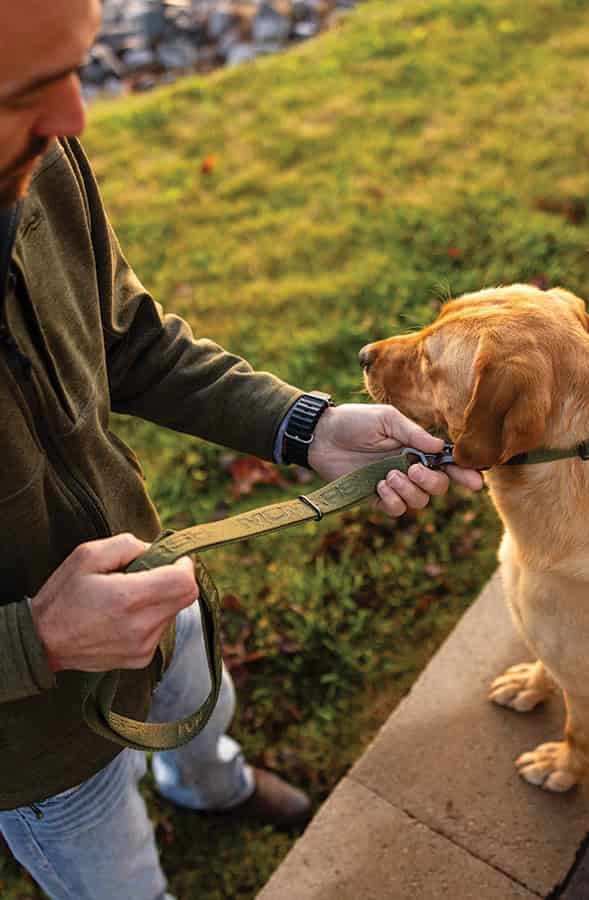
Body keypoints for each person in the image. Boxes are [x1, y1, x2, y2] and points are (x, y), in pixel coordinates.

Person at [0, 2, 483, 898]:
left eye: (76, 66)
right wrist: (38, 643)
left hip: (155, 584)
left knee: (202, 702)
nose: (76, 118)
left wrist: (305, 429)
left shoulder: (35, 153)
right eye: (26, 90)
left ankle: (207, 782)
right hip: (32, 752)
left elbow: (128, 339)